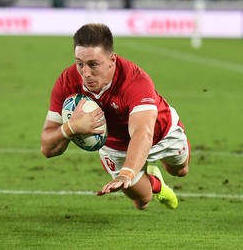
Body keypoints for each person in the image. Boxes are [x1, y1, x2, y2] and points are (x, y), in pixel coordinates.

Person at [40, 23, 191, 210]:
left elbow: (143, 133)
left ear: (112, 60)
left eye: (93, 64)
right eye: (80, 63)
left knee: (180, 171)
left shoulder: (135, 81)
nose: (85, 73)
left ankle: (150, 168)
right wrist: (71, 128)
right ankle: (156, 183)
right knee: (142, 202)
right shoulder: (67, 82)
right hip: (114, 146)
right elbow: (47, 148)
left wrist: (126, 173)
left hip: (161, 133)